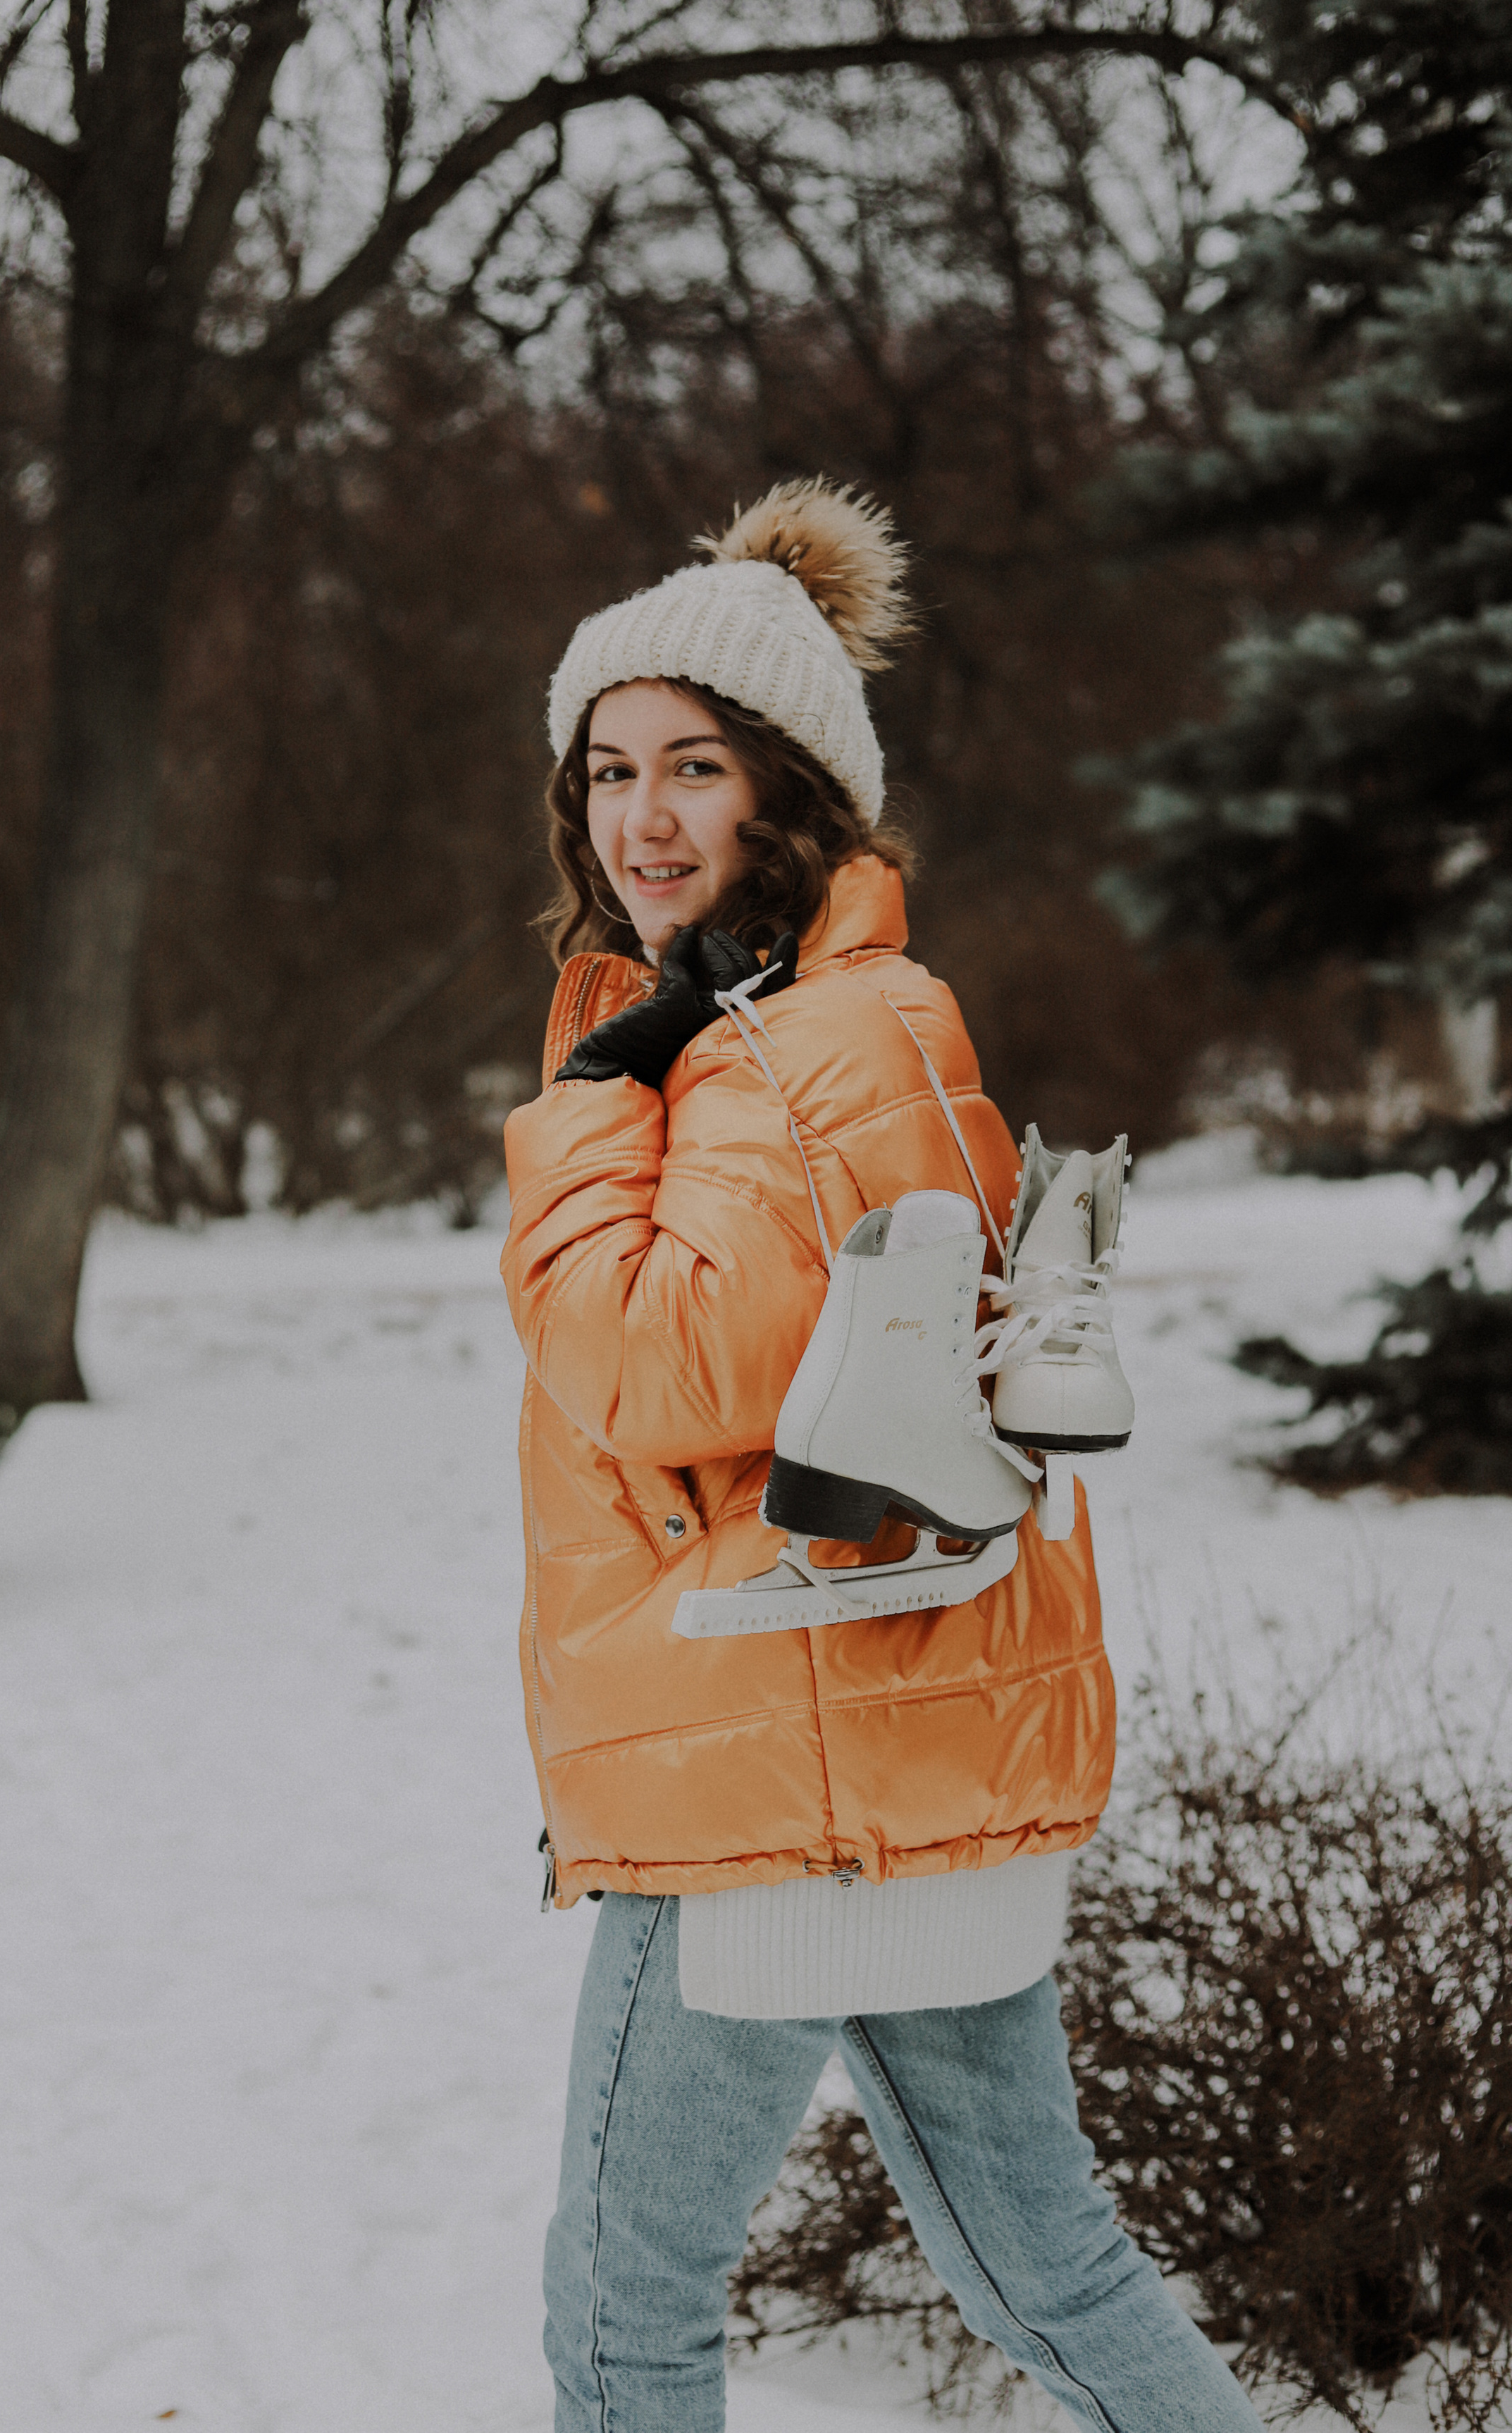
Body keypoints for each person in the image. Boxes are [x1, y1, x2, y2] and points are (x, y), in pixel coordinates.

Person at [497, 481, 1263, 2433]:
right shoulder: (829, 1013)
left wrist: (583, 1109)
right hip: (894, 1736)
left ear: (793, 793)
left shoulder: (783, 1043)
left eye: (696, 767)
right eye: (609, 771)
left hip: (771, 1753)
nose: (644, 818)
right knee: (1051, 2269)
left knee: (626, 2309)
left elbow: (657, 1367)